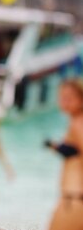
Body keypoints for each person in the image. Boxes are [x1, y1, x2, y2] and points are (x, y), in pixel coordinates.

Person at [45, 79, 83, 230]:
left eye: (69, 98)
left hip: (74, 200)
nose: (64, 102)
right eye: (61, 97)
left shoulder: (78, 122)